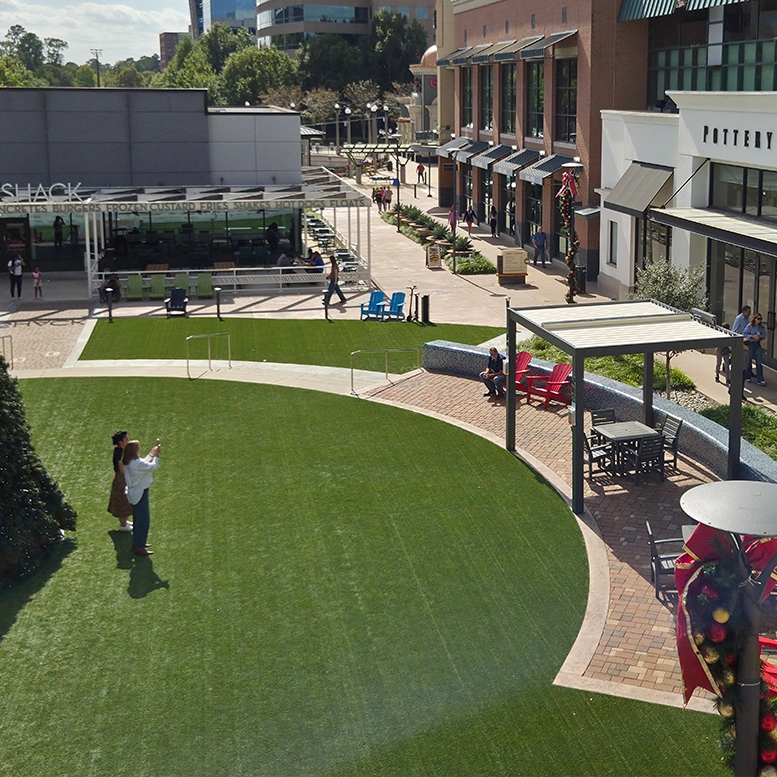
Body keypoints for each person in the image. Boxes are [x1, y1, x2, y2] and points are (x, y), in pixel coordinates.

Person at [123, 440, 161, 556]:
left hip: (134, 493)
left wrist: (151, 454)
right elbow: (152, 467)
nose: (140, 449)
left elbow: (143, 463)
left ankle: (138, 542)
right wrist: (157, 456)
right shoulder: (136, 463)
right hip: (140, 493)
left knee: (138, 520)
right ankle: (139, 546)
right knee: (144, 521)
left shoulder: (131, 462)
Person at [107, 431, 133, 531]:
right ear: (121, 442)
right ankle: (123, 525)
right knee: (124, 502)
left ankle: (124, 522)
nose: (128, 441)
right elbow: (122, 469)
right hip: (122, 479)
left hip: (122, 478)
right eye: (126, 439)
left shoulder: (120, 450)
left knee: (125, 501)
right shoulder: (120, 453)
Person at [744, 313, 767, 386]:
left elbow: (764, 336)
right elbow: (745, 333)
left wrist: (760, 336)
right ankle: (747, 376)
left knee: (759, 362)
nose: (759, 320)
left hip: (757, 344)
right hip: (751, 344)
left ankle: (760, 379)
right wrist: (752, 336)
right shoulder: (750, 326)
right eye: (758, 319)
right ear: (754, 319)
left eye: (761, 319)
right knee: (748, 361)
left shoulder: (761, 328)